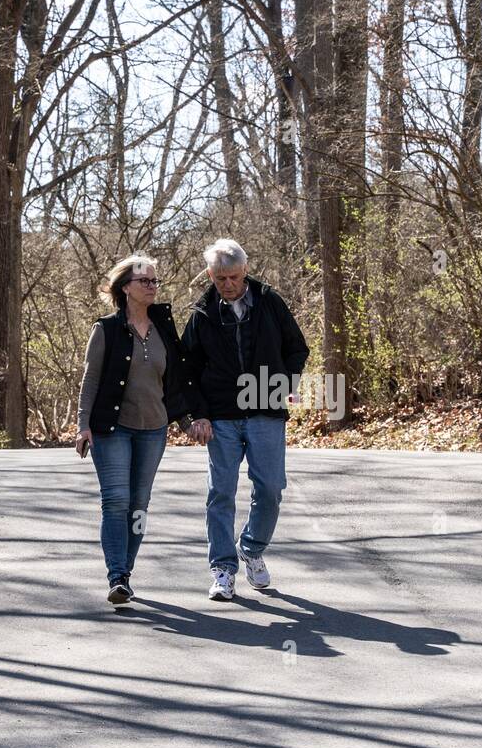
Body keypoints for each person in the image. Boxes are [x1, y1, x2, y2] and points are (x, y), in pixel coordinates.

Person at [181, 239, 310, 601]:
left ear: (245, 271)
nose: (228, 284)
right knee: (220, 493)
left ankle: (251, 548)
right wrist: (198, 414)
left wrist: (286, 383)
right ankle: (223, 569)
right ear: (210, 275)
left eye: (234, 277)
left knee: (270, 487)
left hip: (265, 406)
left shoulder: (269, 302)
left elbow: (297, 347)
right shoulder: (202, 313)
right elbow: (187, 368)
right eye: (220, 277)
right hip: (220, 415)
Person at [77, 254, 204, 606]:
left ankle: (125, 575)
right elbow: (90, 380)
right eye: (144, 281)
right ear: (125, 289)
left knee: (139, 505)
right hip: (111, 428)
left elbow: (174, 382)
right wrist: (82, 425)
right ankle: (116, 574)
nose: (152, 286)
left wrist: (187, 420)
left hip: (153, 429)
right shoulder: (106, 329)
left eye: (154, 281)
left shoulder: (164, 327)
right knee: (115, 500)